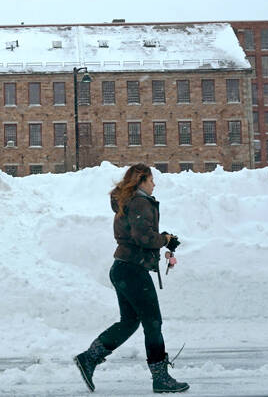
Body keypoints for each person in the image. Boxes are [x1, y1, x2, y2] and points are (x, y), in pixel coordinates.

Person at [73, 163, 189, 393]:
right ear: (141, 180)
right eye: (151, 179)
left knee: (130, 321)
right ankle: (160, 378)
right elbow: (143, 237)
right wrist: (164, 239)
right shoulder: (140, 202)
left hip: (123, 268)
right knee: (152, 322)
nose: (154, 184)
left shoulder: (130, 202)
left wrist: (163, 238)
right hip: (132, 270)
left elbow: (138, 233)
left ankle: (89, 358)